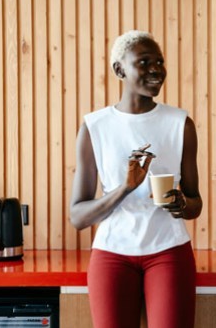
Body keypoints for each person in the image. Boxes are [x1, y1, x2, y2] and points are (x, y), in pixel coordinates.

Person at [70, 30, 202, 328]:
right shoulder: (95, 127)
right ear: (120, 69)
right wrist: (126, 188)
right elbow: (78, 217)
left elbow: (196, 204)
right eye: (144, 62)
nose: (157, 69)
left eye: (159, 61)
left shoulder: (180, 124)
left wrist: (182, 203)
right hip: (112, 255)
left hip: (169, 251)